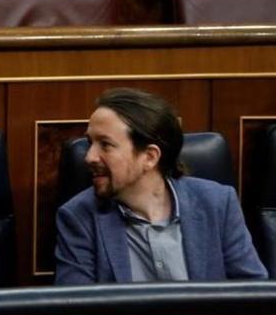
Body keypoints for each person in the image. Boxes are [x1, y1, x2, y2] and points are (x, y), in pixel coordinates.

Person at [55, 87, 267, 285]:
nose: (90, 157)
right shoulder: (78, 217)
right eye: (90, 142)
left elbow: (252, 297)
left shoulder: (217, 204)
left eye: (105, 145)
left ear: (149, 156)